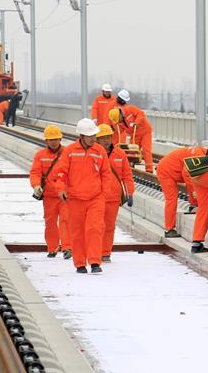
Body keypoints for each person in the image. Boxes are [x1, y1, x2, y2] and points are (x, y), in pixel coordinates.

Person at [53, 118, 114, 274]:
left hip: (96, 198)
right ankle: (80, 264)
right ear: (81, 136)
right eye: (91, 135)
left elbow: (106, 174)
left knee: (95, 229)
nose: (94, 138)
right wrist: (61, 189)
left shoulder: (99, 151)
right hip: (75, 199)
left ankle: (94, 262)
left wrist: (105, 192)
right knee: (77, 231)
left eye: (94, 135)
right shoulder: (70, 151)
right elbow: (61, 173)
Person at [29, 125, 71, 259]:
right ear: (46, 141)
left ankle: (67, 247)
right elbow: (35, 172)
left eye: (56, 139)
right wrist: (36, 186)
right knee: (50, 222)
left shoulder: (68, 153)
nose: (54, 142)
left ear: (60, 139)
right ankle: (52, 248)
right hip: (49, 196)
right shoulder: (40, 155)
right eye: (51, 139)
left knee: (66, 220)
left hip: (65, 195)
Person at [96, 124, 134, 263]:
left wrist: (129, 193)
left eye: (108, 137)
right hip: (96, 197)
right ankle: (93, 252)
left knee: (109, 226)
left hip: (113, 198)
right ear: (97, 139)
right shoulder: (94, 153)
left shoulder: (120, 154)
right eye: (103, 138)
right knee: (96, 226)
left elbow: (127, 176)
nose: (106, 140)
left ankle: (105, 253)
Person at [156, 145, 208, 238]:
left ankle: (192, 206)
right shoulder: (198, 156)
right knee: (171, 200)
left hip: (169, 169)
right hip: (166, 172)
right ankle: (169, 229)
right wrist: (194, 193)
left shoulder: (200, 152)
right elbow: (187, 174)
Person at [109, 89, 154, 172]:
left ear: (120, 115)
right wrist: (111, 131)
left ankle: (149, 169)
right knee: (132, 151)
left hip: (145, 132)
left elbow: (141, 114)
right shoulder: (120, 122)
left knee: (146, 149)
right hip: (135, 135)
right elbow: (120, 131)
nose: (119, 122)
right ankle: (131, 167)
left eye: (118, 120)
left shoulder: (130, 109)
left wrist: (136, 122)